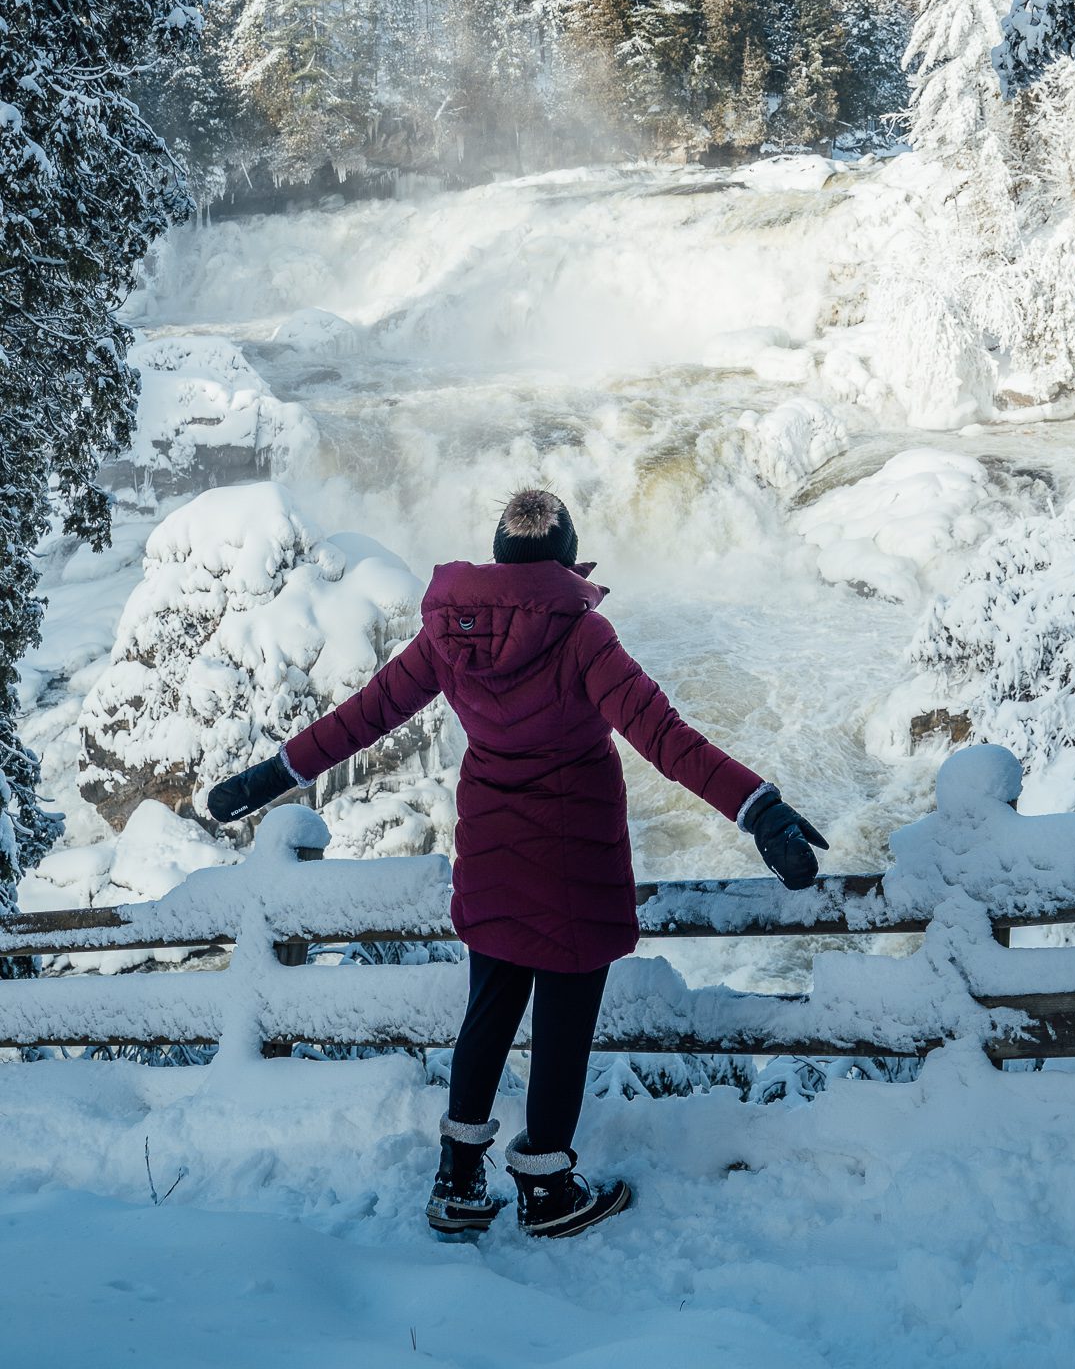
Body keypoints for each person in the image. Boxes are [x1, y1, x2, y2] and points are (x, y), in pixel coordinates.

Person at [207, 488, 827, 1243]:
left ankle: (458, 1180)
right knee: (562, 1028)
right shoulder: (580, 635)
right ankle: (547, 1188)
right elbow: (664, 737)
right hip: (573, 863)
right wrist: (757, 808)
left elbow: (361, 718)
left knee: (489, 1011)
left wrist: (267, 777)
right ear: (565, 559)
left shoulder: (450, 634)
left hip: (493, 855)